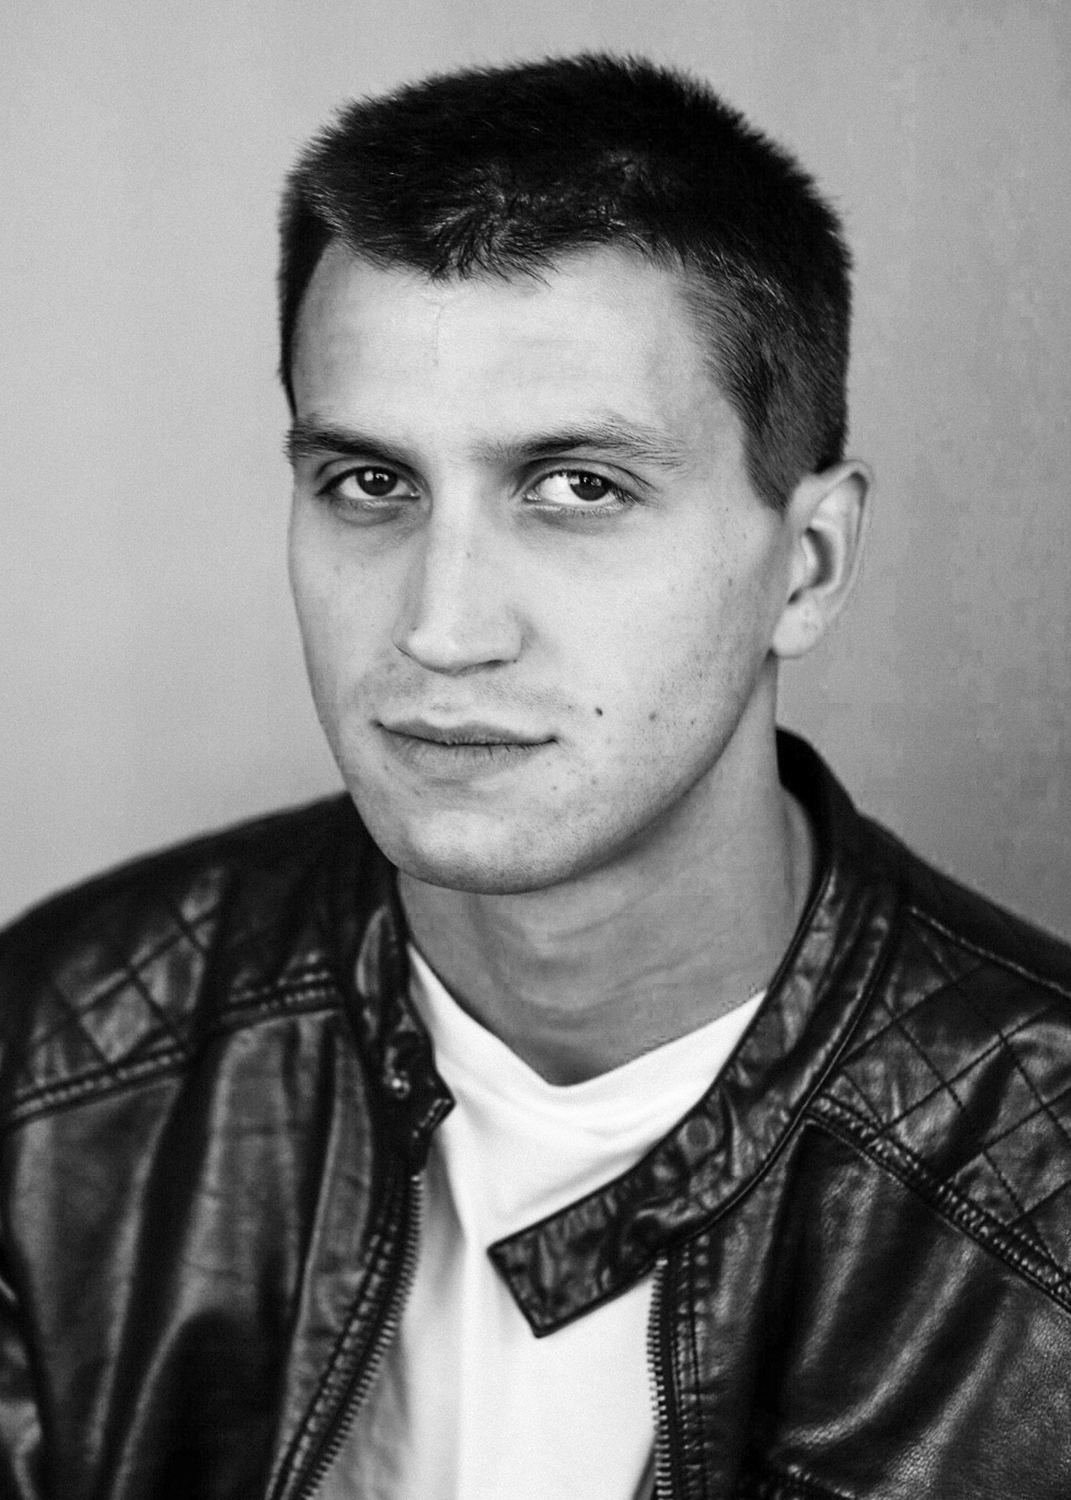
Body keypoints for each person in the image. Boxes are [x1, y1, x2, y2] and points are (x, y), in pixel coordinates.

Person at [2, 51, 1070, 1500]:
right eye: (370, 484)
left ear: (807, 565)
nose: (441, 629)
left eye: (579, 487)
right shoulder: (55, 1066)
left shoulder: (1040, 1211)